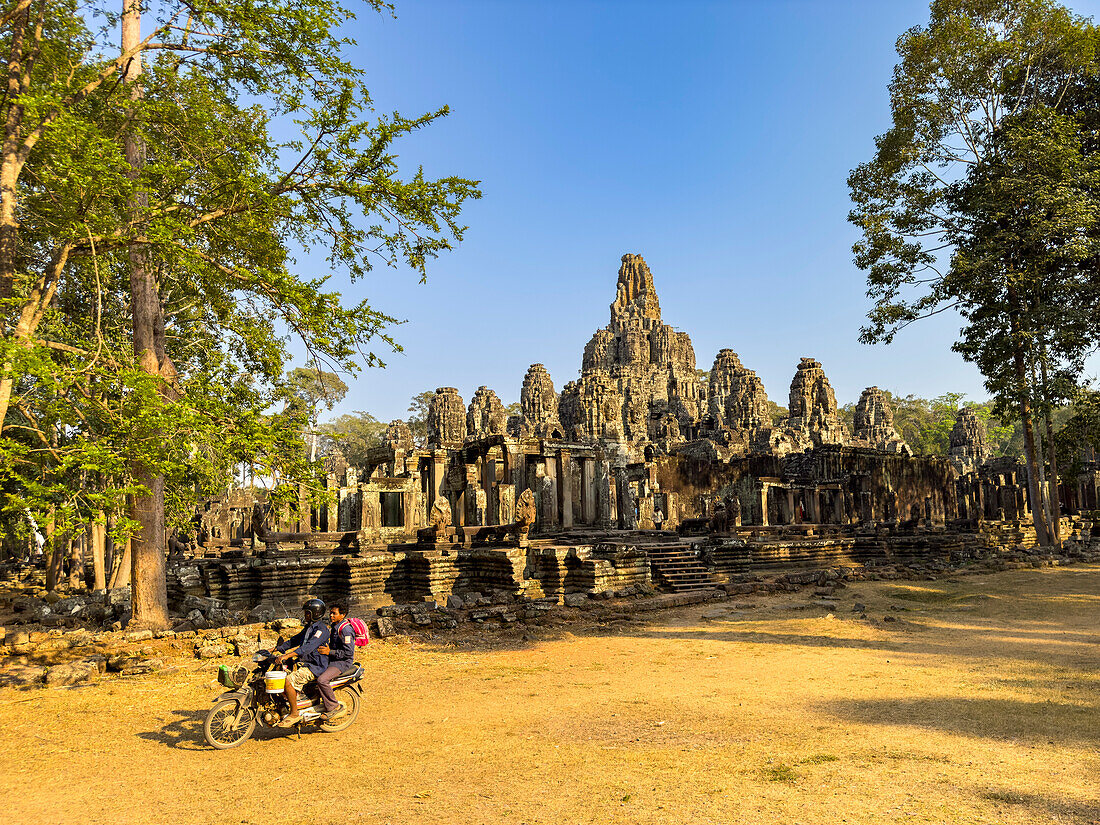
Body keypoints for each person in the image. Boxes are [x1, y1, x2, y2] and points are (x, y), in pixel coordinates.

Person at [273, 598, 330, 726]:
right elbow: (295, 640)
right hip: (305, 663)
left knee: (287, 681)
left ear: (315, 613)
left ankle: (294, 713)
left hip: (315, 666)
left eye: (307, 613)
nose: (305, 615)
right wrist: (275, 649)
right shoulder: (309, 627)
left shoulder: (321, 630)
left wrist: (287, 655)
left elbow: (307, 647)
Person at [315, 601, 356, 722]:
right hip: (332, 659)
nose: (331, 616)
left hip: (342, 662)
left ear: (342, 615)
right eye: (330, 613)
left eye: (334, 613)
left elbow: (348, 653)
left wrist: (329, 652)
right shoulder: (334, 627)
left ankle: (334, 707)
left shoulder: (346, 630)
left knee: (322, 680)